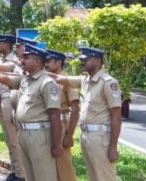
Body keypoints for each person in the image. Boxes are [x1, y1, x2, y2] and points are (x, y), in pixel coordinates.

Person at [0, 43, 63, 181]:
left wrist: (56, 145)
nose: (22, 60)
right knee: (30, 176)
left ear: (37, 61)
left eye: (26, 58)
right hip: (23, 134)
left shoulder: (47, 83)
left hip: (39, 136)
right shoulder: (25, 80)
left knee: (44, 176)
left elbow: (55, 115)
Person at [48, 46, 122, 181]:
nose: (82, 62)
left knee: (104, 176)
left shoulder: (108, 83)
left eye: (86, 59)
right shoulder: (85, 80)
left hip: (100, 137)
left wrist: (113, 147)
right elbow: (60, 78)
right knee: (93, 175)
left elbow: (116, 117)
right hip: (86, 136)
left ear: (97, 61)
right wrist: (37, 73)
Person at [0, 34, 25, 181]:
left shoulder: (16, 61)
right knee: (8, 138)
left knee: (14, 139)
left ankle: (20, 173)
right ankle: (14, 169)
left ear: (6, 44)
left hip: (9, 99)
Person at [45, 49, 79, 181]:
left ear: (58, 62)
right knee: (50, 165)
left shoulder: (67, 80)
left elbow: (75, 109)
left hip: (61, 124)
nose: (46, 64)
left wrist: (69, 135)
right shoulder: (47, 79)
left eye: (48, 61)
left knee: (64, 165)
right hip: (47, 124)